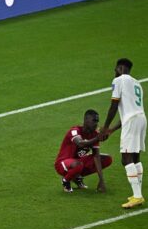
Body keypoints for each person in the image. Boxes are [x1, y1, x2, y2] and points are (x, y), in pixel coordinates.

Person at [99, 58, 146, 208]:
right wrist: (112, 130)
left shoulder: (119, 80)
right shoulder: (137, 83)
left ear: (120, 68)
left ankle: (137, 196)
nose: (114, 73)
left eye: (115, 70)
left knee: (126, 159)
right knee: (135, 157)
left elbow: (114, 106)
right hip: (141, 119)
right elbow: (128, 112)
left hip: (132, 121)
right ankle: (137, 194)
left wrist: (105, 127)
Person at [55, 109, 112, 193]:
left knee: (106, 159)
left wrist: (101, 180)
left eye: (97, 121)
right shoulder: (75, 131)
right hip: (62, 163)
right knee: (78, 165)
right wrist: (97, 138)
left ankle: (77, 177)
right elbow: (80, 143)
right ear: (86, 120)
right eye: (94, 121)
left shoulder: (94, 134)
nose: (96, 124)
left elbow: (96, 156)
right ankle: (66, 181)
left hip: (78, 163)